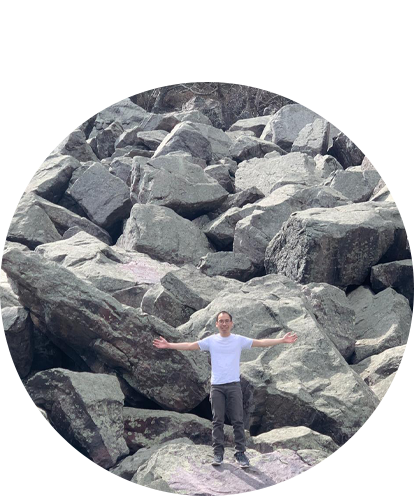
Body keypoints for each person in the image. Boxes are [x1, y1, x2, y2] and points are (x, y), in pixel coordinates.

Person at [153, 310, 298, 468]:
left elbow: (261, 342)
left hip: (234, 386)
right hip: (217, 387)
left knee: (237, 420)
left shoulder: (238, 340)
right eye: (221, 321)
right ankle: (218, 453)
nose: (224, 324)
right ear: (216, 324)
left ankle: (241, 453)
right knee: (217, 421)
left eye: (226, 321)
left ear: (231, 323)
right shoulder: (211, 341)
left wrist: (282, 341)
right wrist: (168, 345)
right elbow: (190, 346)